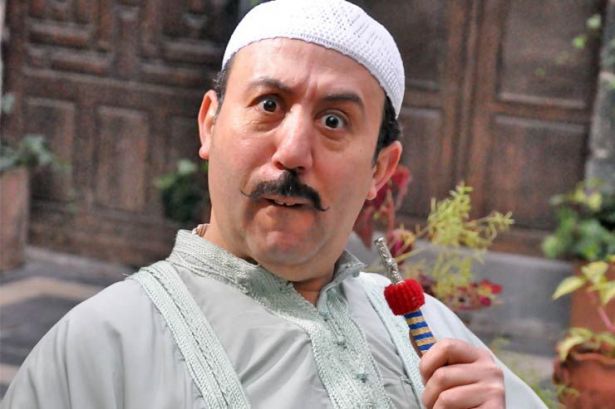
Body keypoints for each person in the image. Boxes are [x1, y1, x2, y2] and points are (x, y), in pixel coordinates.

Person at [2, 1, 546, 408]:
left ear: (379, 170)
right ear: (210, 124)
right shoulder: (100, 348)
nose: (293, 152)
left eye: (334, 121)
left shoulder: (429, 332)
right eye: (269, 105)